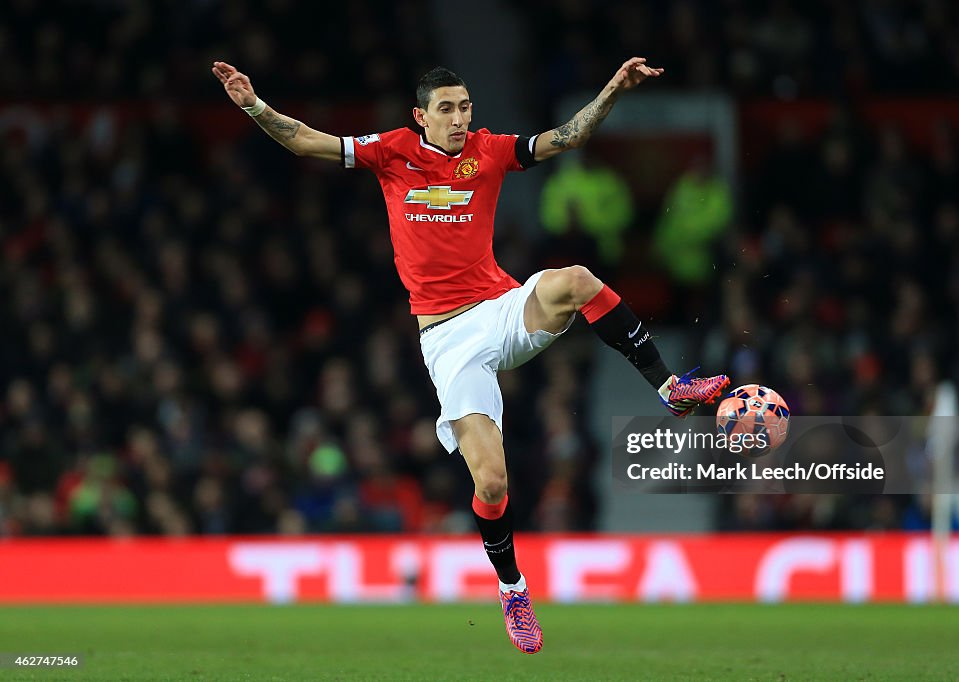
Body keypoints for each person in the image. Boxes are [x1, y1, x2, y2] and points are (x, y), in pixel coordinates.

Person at [212, 57, 730, 654]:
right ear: (421, 115)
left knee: (578, 280)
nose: (459, 119)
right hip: (448, 341)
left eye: (465, 107)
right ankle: (513, 589)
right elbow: (305, 141)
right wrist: (253, 105)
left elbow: (571, 136)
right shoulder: (392, 151)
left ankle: (670, 391)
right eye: (447, 109)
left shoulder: (488, 150)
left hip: (501, 309)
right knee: (491, 480)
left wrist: (613, 87)